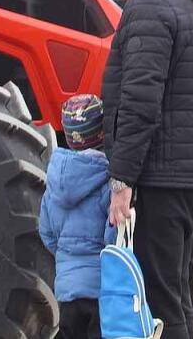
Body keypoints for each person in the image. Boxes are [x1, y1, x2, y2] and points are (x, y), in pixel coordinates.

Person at [101, 0, 193, 339]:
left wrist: (122, 181)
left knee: (156, 301)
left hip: (158, 179)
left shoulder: (148, 7)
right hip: (187, 178)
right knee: (175, 299)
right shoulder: (189, 6)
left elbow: (140, 102)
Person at [39, 94, 117, 339]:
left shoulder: (53, 182)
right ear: (102, 133)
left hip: (66, 288)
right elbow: (113, 236)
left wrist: (67, 256)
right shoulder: (108, 180)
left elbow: (47, 234)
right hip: (100, 289)